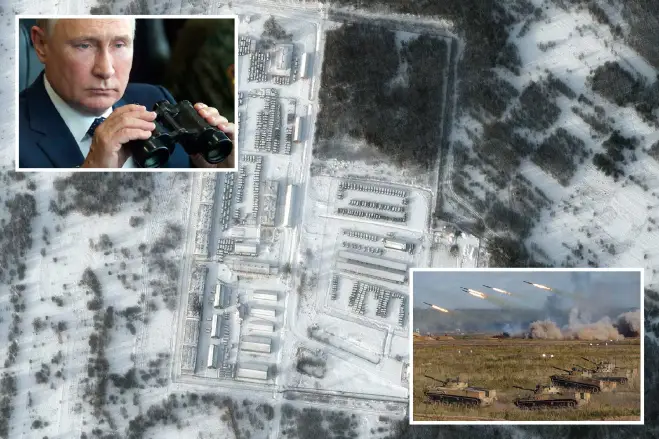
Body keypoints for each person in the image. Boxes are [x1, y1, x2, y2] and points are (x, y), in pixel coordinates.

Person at [18, 18, 235, 169]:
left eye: (119, 45)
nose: (105, 70)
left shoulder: (154, 99)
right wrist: (90, 177)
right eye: (84, 45)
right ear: (41, 45)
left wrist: (220, 177)